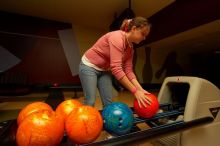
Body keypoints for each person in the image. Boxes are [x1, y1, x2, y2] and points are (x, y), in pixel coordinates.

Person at [79, 16, 152, 108]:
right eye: (143, 34)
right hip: (88, 66)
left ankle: (107, 121)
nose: (144, 38)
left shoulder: (131, 49)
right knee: (90, 101)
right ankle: (85, 122)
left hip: (104, 70)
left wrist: (140, 89)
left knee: (108, 102)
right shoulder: (117, 37)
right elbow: (116, 69)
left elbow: (129, 71)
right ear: (134, 29)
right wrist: (135, 91)